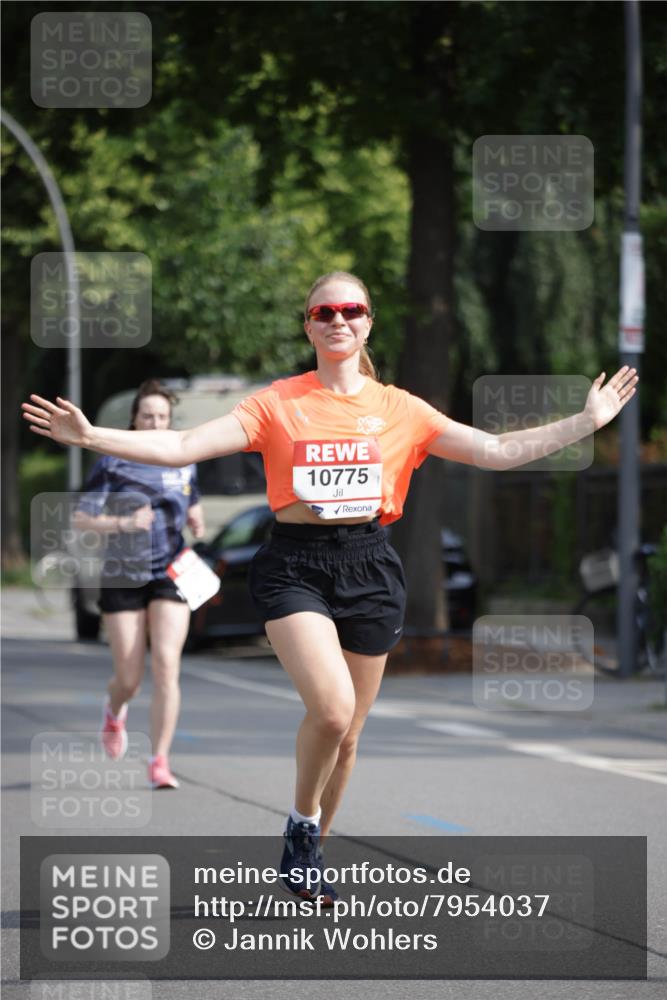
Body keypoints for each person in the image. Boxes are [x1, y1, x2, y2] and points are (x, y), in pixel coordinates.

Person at [23, 271, 638, 900]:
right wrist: (93, 435)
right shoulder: (277, 403)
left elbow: (497, 450)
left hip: (370, 565)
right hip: (295, 566)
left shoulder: (401, 408)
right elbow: (182, 444)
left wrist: (584, 423)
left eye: (351, 310)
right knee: (333, 707)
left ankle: (308, 848)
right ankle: (302, 820)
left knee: (348, 737)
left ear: (368, 322)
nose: (337, 320)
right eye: (324, 312)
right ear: (309, 325)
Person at [70, 380, 205, 790]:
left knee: (167, 666)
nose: (156, 422)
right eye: (148, 415)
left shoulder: (184, 458)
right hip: (123, 573)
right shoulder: (114, 461)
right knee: (128, 677)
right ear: (135, 418)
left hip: (170, 570)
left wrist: (196, 516)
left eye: (162, 416)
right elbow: (81, 518)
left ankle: (159, 760)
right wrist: (123, 523)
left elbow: (190, 496)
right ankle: (115, 711)